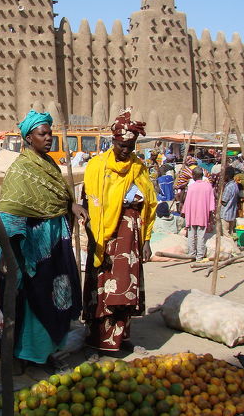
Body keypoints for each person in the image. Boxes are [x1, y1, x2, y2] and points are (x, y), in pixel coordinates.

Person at [0, 110, 87, 370]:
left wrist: (72, 206)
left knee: (54, 297)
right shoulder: (20, 169)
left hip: (55, 244)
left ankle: (46, 351)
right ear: (28, 137)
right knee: (28, 299)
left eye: (50, 133)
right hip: (31, 247)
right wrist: (13, 249)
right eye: (42, 133)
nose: (49, 138)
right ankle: (19, 355)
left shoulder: (49, 164)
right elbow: (10, 208)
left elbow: (58, 197)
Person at [83, 108, 156, 353]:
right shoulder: (97, 166)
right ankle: (100, 338)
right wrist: (95, 233)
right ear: (113, 140)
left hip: (131, 237)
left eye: (131, 145)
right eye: (122, 145)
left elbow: (150, 203)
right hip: (106, 237)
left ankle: (122, 335)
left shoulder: (139, 168)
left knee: (127, 285)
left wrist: (146, 239)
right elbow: (89, 201)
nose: (126, 150)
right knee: (104, 285)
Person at [182, 168, 215, 261]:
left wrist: (184, 212)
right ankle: (199, 256)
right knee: (201, 236)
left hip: (191, 214)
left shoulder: (191, 187)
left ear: (195, 176)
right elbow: (211, 203)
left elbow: (187, 201)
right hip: (202, 214)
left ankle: (191, 254)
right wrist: (211, 214)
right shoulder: (208, 186)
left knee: (191, 235)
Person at [220, 166, 239, 236]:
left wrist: (217, 195)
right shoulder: (235, 185)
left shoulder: (228, 187)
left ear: (227, 176)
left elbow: (224, 202)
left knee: (226, 236)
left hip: (225, 215)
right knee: (230, 234)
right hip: (232, 215)